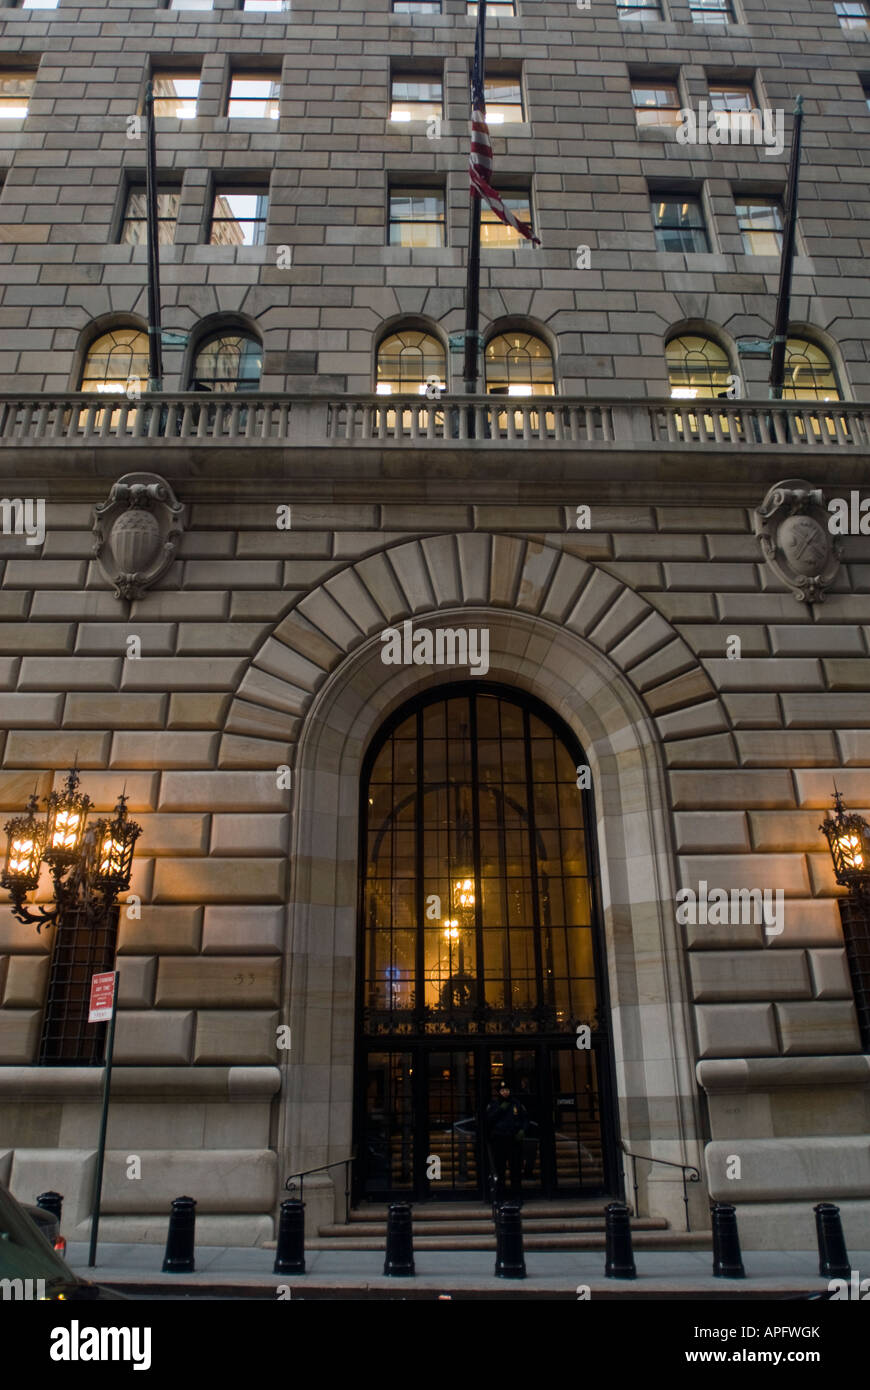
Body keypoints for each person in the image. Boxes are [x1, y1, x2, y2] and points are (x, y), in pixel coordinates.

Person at [485, 1082, 528, 1206]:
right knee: (500, 1170)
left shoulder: (517, 1104)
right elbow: (488, 1120)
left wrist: (522, 1130)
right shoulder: (494, 1104)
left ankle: (517, 1197)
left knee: (515, 1170)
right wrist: (500, 1109)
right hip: (499, 1141)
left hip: (514, 1141)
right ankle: (499, 1197)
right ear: (498, 1092)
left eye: (507, 1090)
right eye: (502, 1090)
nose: (505, 1092)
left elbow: (525, 1119)